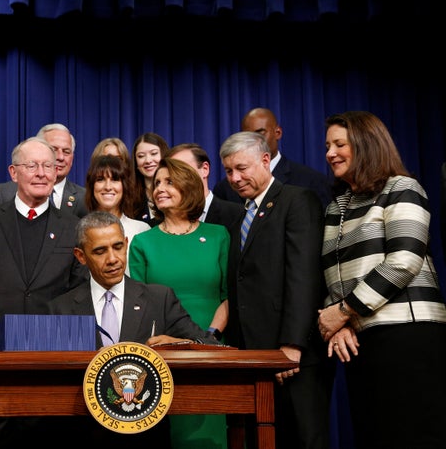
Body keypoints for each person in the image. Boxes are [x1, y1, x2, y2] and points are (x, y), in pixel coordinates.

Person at [318, 111, 446, 448]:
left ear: (366, 144)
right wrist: (341, 322)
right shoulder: (337, 207)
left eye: (339, 144)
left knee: (413, 435)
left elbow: (404, 261)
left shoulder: (402, 188)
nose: (330, 153)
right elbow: (332, 272)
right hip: (362, 338)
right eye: (327, 145)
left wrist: (344, 311)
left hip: (408, 333)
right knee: (375, 434)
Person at [47, 210, 221, 449]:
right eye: (100, 251)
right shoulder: (60, 308)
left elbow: (211, 347)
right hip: (83, 435)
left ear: (126, 243)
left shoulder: (159, 299)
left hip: (146, 437)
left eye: (118, 247)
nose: (113, 259)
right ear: (81, 256)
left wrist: (176, 345)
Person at [0, 136, 88, 449]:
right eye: (31, 165)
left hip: (52, 362)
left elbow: (80, 295)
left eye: (48, 165)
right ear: (13, 172)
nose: (42, 172)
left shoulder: (74, 227)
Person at [219, 131, 333, 449]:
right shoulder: (242, 214)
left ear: (266, 160)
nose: (235, 178)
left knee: (303, 438)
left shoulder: (297, 200)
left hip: (294, 357)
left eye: (242, 168)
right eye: (228, 171)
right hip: (256, 356)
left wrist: (291, 345)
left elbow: (304, 275)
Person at [129, 157, 230, 449]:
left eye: (169, 181)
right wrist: (174, 343)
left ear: (189, 186)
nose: (159, 188)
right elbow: (141, 304)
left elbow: (228, 296)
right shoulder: (143, 243)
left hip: (213, 349)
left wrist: (208, 338)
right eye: (157, 182)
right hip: (164, 353)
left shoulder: (218, 235)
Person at [213, 107, 331, 209]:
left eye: (260, 133)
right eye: (248, 136)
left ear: (278, 132)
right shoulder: (224, 189)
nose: (255, 141)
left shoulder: (310, 181)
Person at [0, 123, 87, 217]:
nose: (60, 157)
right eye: (53, 150)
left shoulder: (85, 197)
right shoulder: (4, 193)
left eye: (66, 152)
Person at [84, 155, 149, 275]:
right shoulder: (81, 231)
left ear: (124, 186)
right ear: (92, 186)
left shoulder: (142, 230)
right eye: (100, 179)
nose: (108, 187)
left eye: (115, 179)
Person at [167, 142, 242, 229]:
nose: (177, 177)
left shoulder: (237, 215)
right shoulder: (161, 222)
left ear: (204, 169)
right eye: (172, 173)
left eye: (182, 169)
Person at [131, 132, 170, 224]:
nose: (148, 160)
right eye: (141, 156)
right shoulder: (130, 198)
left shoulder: (177, 191)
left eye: (153, 153)